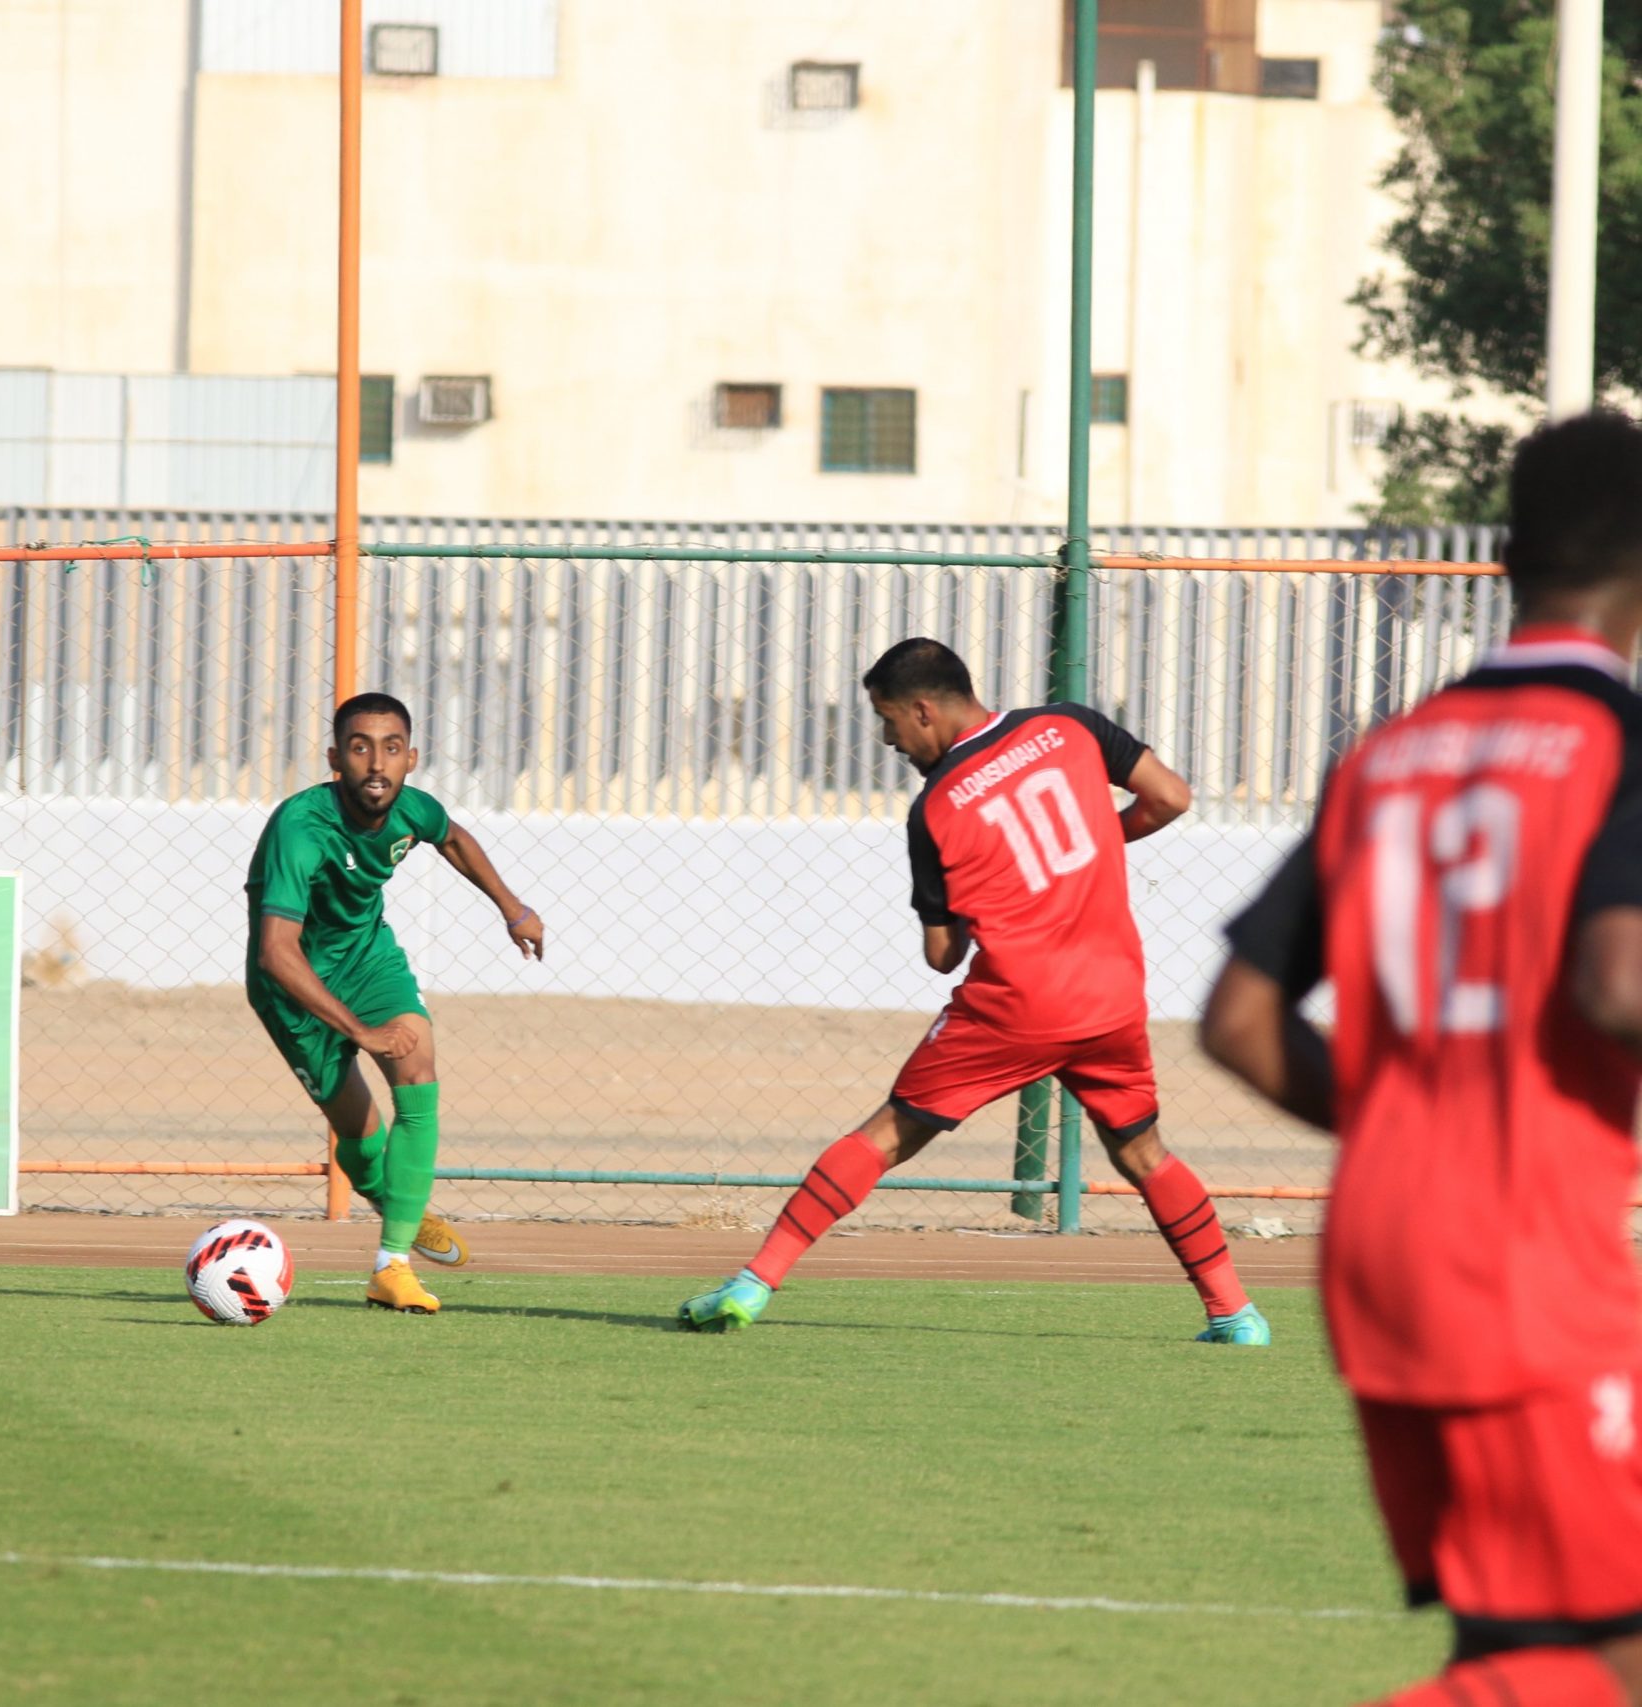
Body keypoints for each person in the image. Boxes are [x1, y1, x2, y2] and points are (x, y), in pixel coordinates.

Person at [1202, 410, 1642, 1707]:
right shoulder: (1618, 743)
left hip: (1380, 1244)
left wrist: (1411, 1112)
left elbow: (1235, 1018)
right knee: (1611, 1661)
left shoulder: (1390, 752)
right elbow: (1619, 980)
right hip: (1523, 1258)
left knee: (1508, 1646)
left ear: (1506, 556)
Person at [678, 638, 1266, 1343]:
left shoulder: (935, 808)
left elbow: (943, 953)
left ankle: (752, 1281)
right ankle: (1236, 1313)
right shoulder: (1069, 725)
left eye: (888, 719)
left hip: (1017, 1003)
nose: (889, 739)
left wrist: (971, 900)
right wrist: (1096, 843)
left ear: (923, 710)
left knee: (887, 1134)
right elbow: (1171, 796)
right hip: (1112, 995)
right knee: (1144, 1154)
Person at [246, 691, 545, 1314]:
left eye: (389, 749)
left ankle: (393, 1263)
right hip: (293, 991)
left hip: (367, 962)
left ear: (411, 758)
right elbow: (277, 952)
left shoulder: (413, 809)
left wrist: (512, 909)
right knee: (357, 1135)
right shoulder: (300, 828)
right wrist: (358, 1031)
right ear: (336, 758)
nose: (375, 764)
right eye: (359, 748)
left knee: (417, 1069)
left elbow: (454, 839)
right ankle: (393, 1194)